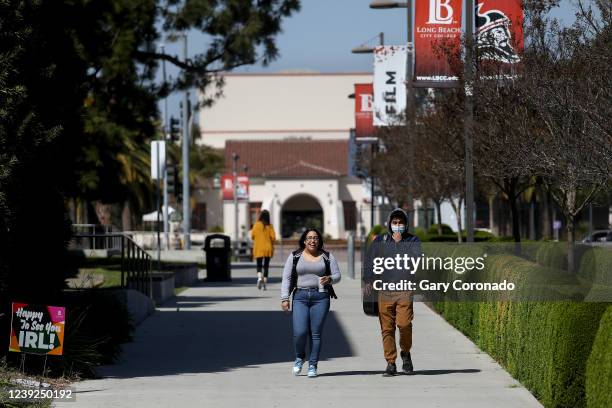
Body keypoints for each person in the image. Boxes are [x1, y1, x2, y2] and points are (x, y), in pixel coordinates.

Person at [364, 208, 421, 377]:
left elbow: (416, 260)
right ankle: (390, 362)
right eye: (394, 223)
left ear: (406, 224)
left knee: (404, 324)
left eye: (400, 223)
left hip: (404, 289)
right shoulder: (380, 240)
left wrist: (398, 245)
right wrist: (367, 280)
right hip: (384, 290)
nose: (397, 226)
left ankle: (406, 352)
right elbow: (370, 260)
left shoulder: (413, 240)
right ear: (389, 224)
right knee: (387, 328)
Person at [280, 228, 341, 378]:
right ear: (304, 241)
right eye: (309, 238)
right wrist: (284, 298)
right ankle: (300, 357)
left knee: (315, 333)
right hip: (300, 296)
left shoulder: (327, 256)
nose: (312, 240)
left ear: (319, 241)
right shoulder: (295, 256)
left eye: (315, 238)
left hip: (321, 297)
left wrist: (330, 279)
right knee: (300, 332)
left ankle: (313, 365)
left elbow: (337, 275)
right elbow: (287, 278)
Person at [251, 210, 276, 290]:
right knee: (266, 266)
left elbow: (252, 236)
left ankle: (259, 277)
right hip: (268, 248)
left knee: (259, 264)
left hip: (258, 248)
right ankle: (264, 283)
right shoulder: (270, 226)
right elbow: (273, 237)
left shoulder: (256, 225)